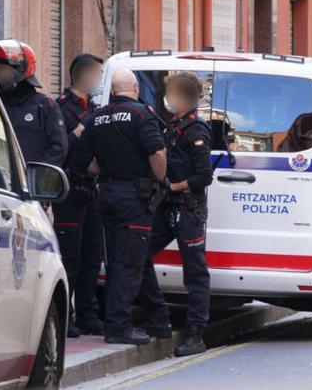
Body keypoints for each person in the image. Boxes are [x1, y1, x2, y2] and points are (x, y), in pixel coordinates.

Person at [72, 69, 166, 345]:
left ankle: (146, 319)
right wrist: (159, 177)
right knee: (130, 263)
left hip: (107, 193)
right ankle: (119, 327)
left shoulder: (96, 118)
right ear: (135, 88)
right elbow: (157, 152)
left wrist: (107, 169)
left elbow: (82, 161)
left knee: (116, 260)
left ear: (112, 91)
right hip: (135, 197)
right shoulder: (142, 115)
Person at [139, 71, 213, 356]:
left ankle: (196, 334)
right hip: (167, 206)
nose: (167, 99)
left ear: (183, 97)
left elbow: (203, 176)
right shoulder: (174, 125)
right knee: (140, 254)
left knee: (195, 273)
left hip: (188, 209)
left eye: (170, 93)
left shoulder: (196, 130)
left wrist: (173, 186)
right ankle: (158, 317)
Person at [54, 53, 105, 338]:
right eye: (97, 74)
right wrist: (80, 130)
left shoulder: (96, 109)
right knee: (70, 258)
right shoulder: (60, 108)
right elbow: (59, 148)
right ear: (83, 76)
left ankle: (88, 314)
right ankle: (67, 317)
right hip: (69, 191)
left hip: (92, 189)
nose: (100, 80)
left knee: (91, 257)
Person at [0, 39, 67, 167]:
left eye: (6, 68)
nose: (1, 74)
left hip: (32, 177)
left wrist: (36, 174)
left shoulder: (44, 105)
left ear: (21, 71)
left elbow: (59, 147)